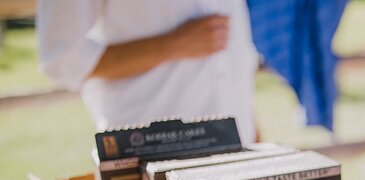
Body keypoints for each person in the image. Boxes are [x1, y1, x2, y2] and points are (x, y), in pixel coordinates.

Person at [36, 1, 258, 144]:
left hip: (238, 147)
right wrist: (171, 45)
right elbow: (61, 58)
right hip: (149, 154)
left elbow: (229, 63)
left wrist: (254, 138)